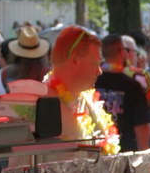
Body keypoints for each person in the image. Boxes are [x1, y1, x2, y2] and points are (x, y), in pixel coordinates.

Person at [45, 25, 119, 154]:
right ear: (75, 60)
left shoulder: (87, 100)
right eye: (94, 64)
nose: (99, 71)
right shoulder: (44, 103)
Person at [95, 34, 150, 152]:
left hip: (96, 150)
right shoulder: (133, 85)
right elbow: (142, 126)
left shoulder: (92, 82)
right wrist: (144, 153)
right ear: (121, 52)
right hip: (125, 152)